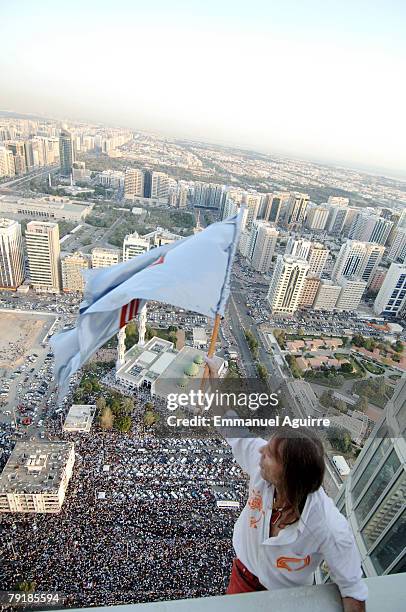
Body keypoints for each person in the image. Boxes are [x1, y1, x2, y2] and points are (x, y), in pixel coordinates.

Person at [205, 356, 367, 612]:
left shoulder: (328, 525)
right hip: (241, 577)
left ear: (289, 475)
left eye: (270, 454)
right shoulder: (264, 469)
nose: (260, 453)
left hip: (286, 600)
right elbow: (230, 424)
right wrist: (214, 380)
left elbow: (353, 593)